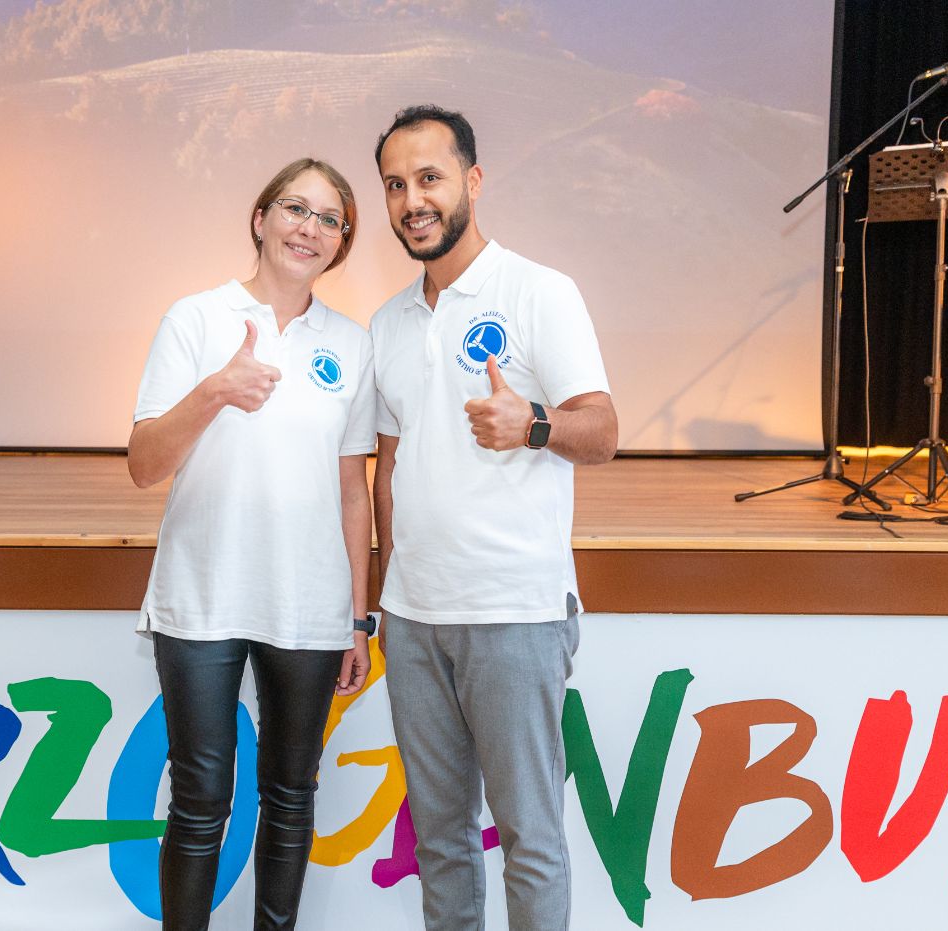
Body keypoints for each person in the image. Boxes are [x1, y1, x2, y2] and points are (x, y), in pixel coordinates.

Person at [369, 105, 619, 930]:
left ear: (472, 181)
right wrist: (384, 599)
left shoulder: (540, 291)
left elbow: (603, 432)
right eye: (396, 185)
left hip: (514, 612)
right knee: (440, 840)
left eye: (429, 178)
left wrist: (534, 424)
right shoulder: (389, 323)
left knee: (530, 838)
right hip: (413, 621)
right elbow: (388, 471)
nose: (413, 200)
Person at [127, 157, 376, 930]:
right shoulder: (196, 319)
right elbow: (144, 464)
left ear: (340, 243)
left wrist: (358, 619)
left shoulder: (352, 344)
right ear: (262, 218)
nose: (310, 228)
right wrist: (214, 392)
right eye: (295, 209)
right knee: (200, 799)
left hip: (308, 602)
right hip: (202, 594)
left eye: (329, 219)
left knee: (291, 794)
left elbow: (353, 489)